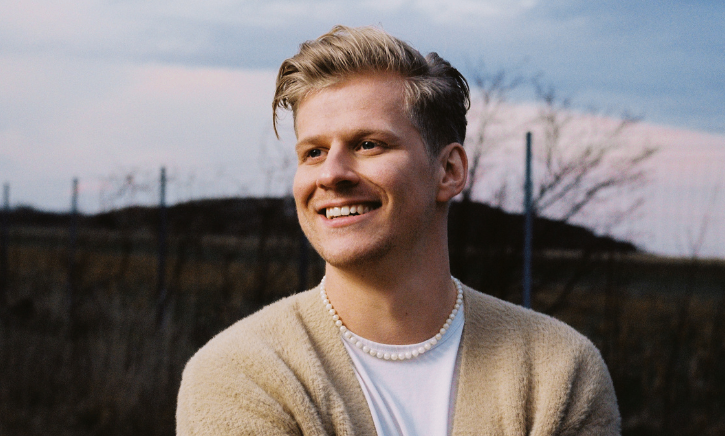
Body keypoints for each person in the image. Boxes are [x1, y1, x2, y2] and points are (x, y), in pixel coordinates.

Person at [176, 25, 620, 436]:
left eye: (368, 144)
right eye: (313, 152)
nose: (331, 174)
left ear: (448, 170)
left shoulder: (556, 370)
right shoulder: (242, 371)